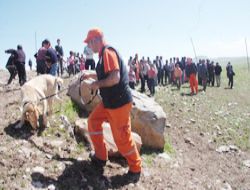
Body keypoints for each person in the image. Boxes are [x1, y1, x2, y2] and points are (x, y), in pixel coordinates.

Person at [81, 28, 141, 182]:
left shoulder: (108, 52)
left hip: (118, 103)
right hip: (109, 102)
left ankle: (135, 168)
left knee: (122, 138)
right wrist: (91, 74)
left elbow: (115, 77)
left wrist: (96, 84)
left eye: (89, 43)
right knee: (93, 122)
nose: (89, 47)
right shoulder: (103, 55)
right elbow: (107, 73)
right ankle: (101, 156)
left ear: (96, 40)